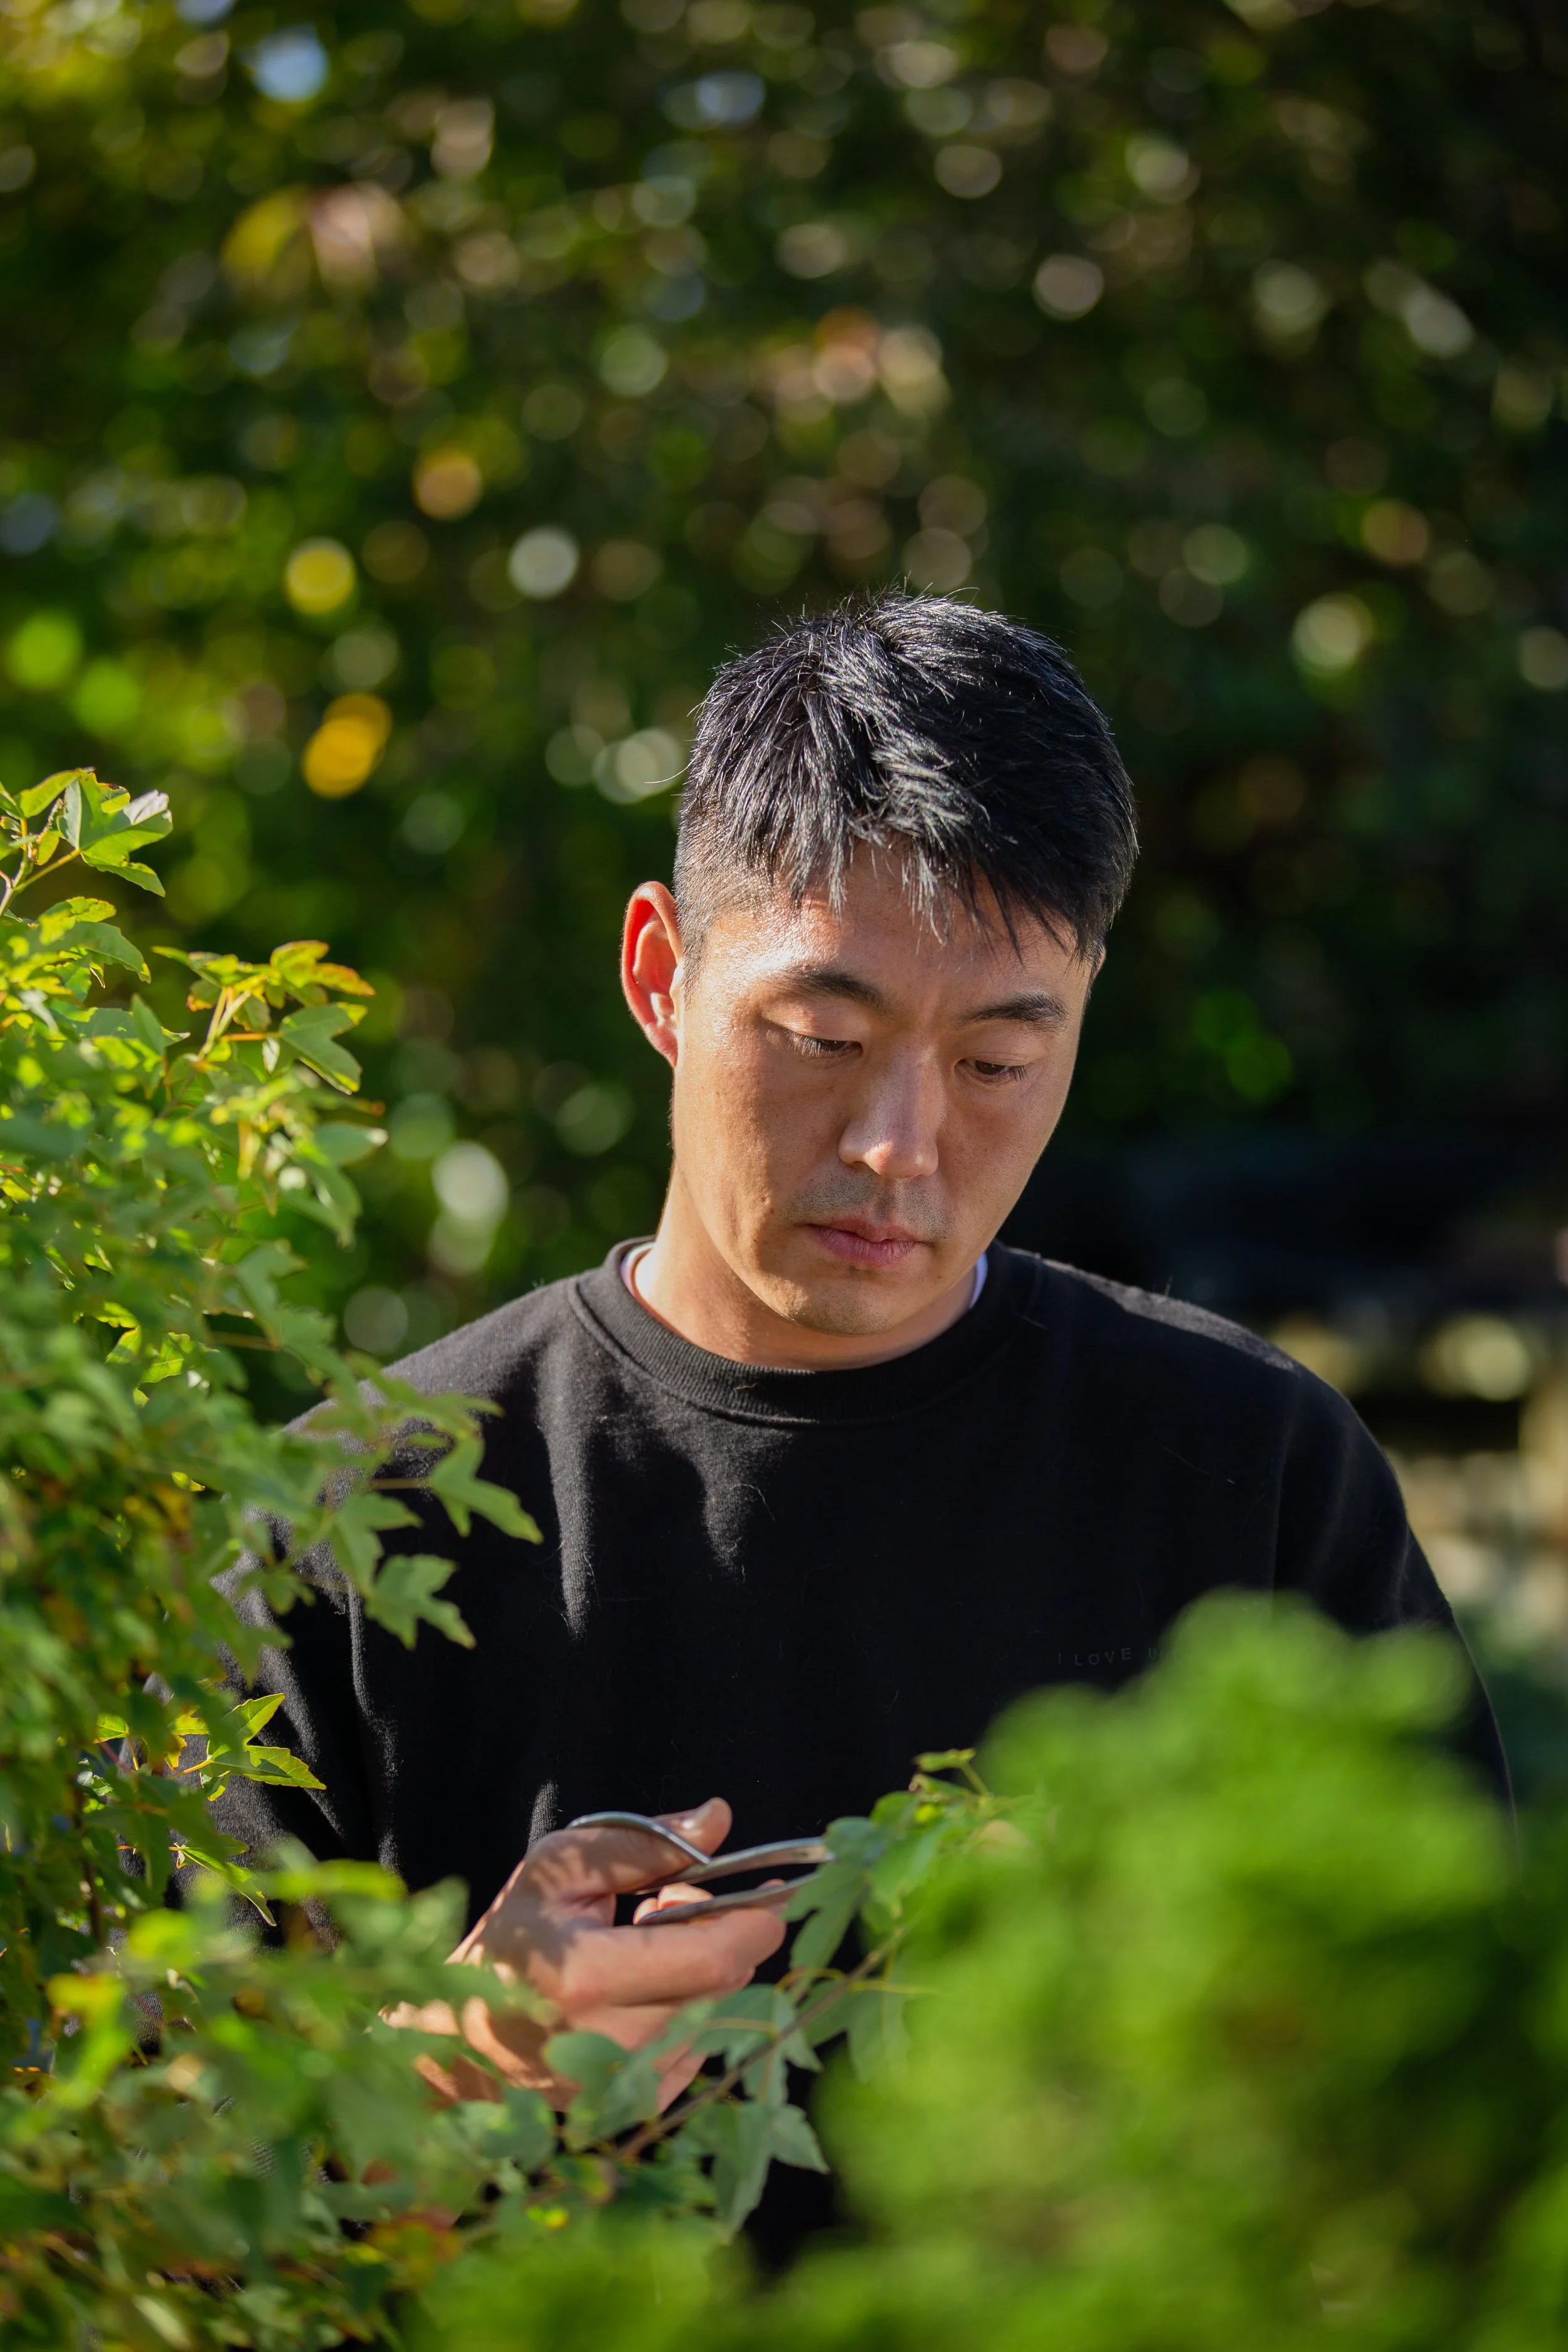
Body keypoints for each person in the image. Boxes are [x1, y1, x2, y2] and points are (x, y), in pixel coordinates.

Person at [217, 594, 1505, 2206]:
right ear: (661, 977)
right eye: (823, 1034)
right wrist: (432, 2066)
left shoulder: (1245, 1470)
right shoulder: (357, 1510)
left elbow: (1461, 2111)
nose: (899, 1144)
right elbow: (122, 2194)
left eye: (994, 1063)